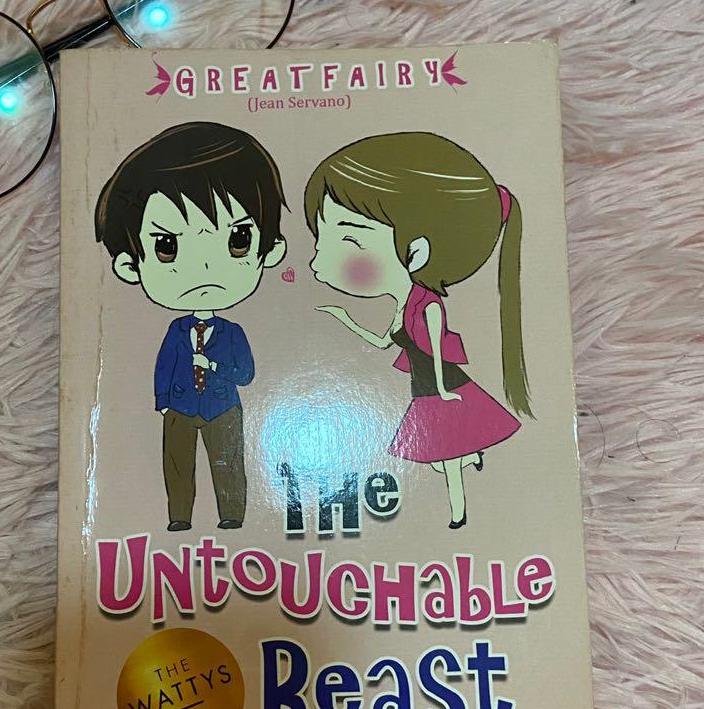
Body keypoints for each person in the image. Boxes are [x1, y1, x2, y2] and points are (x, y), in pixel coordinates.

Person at [305, 132, 529, 529]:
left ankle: (459, 517)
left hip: (445, 389)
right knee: (441, 458)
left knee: (445, 460)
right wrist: (345, 319)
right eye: (322, 238)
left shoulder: (428, 306)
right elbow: (383, 343)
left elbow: (438, 349)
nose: (318, 262)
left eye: (348, 239)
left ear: (416, 252)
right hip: (423, 390)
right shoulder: (402, 306)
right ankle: (471, 457)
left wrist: (443, 389)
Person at [96, 121, 287, 531]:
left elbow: (246, 373)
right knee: (177, 465)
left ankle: (232, 516)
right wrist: (163, 402)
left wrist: (213, 366)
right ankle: (179, 518)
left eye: (238, 239)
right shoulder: (176, 331)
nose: (203, 267)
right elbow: (164, 365)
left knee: (228, 463)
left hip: (223, 407)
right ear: (130, 265)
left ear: (269, 250)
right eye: (167, 246)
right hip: (180, 408)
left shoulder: (233, 332)